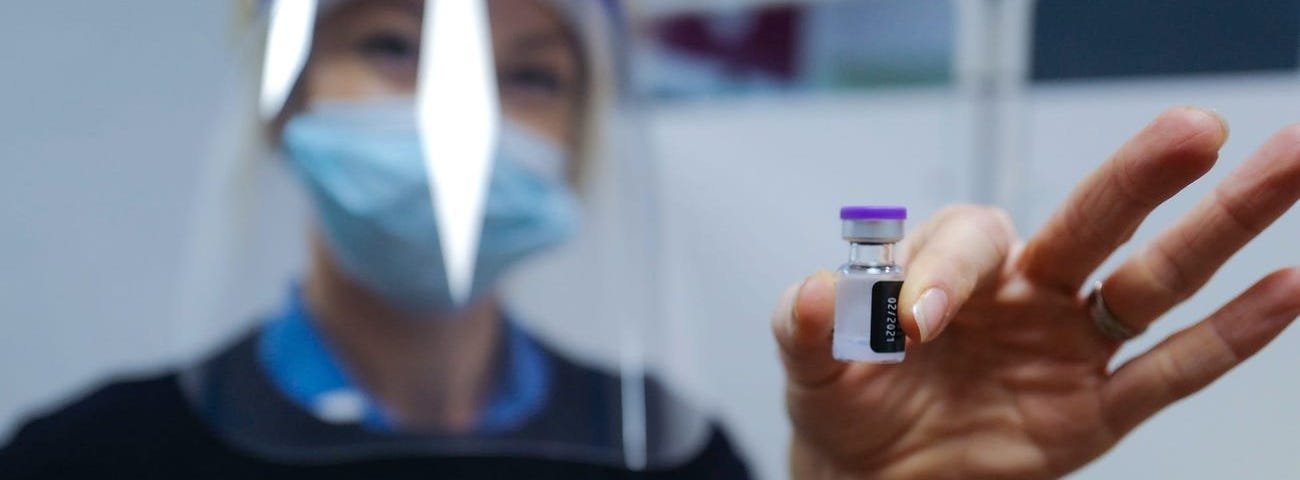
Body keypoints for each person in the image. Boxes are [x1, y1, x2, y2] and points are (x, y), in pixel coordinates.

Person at [3, 3, 1300, 480]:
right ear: (281, 98)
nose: (469, 113)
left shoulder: (679, 456)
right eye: (391, 46)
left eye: (537, 71)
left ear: (579, 138)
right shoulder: (85, 458)